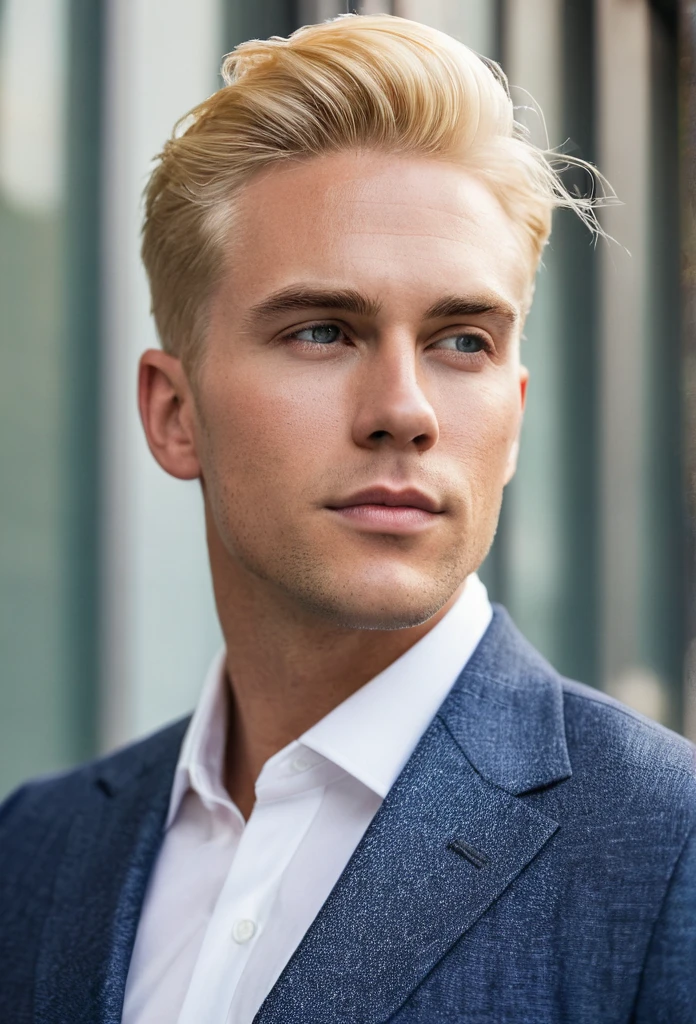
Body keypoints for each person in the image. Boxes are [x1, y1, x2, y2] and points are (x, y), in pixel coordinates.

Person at [1, 13, 694, 1024]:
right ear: (173, 413)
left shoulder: (667, 849)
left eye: (462, 341)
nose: (405, 411)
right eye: (324, 330)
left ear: (515, 417)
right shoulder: (34, 851)